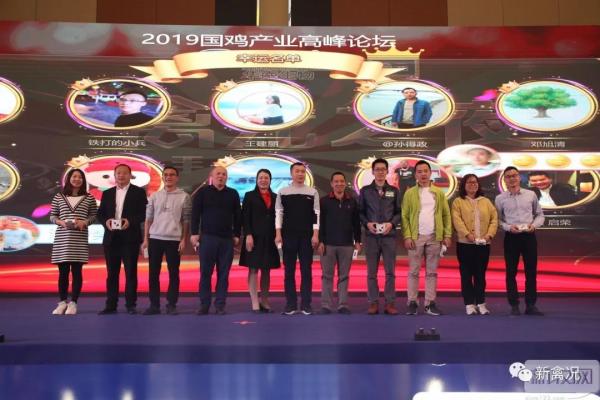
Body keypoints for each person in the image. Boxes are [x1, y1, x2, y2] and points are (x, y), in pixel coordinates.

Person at [402, 160, 452, 316]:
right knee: (413, 272)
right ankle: (412, 302)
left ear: (430, 173)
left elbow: (446, 215)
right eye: (419, 171)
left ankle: (430, 303)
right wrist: (407, 236)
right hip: (415, 237)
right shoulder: (410, 193)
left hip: (434, 237)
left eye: (425, 171)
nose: (423, 174)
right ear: (415, 175)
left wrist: (447, 235)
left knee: (432, 273)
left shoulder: (439, 193)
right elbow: (404, 216)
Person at [97, 164, 148, 315]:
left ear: (130, 175)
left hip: (130, 238)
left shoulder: (138, 192)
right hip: (111, 238)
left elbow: (144, 213)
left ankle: (131, 305)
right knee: (112, 274)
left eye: (125, 173)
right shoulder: (107, 193)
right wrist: (106, 222)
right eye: (118, 173)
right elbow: (100, 214)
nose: (121, 175)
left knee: (130, 273)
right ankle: (111, 305)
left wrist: (130, 221)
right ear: (114, 175)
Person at [191, 166, 241, 315]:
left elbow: (238, 216)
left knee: (223, 274)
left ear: (227, 177)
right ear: (211, 176)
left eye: (224, 174)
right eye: (218, 174)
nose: (221, 176)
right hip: (207, 238)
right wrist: (194, 233)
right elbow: (195, 214)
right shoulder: (203, 192)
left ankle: (220, 305)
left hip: (226, 240)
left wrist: (237, 234)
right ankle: (204, 304)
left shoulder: (233, 193)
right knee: (205, 273)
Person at [495, 166, 545, 316]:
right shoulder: (500, 199)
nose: (512, 178)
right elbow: (498, 220)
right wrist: (508, 227)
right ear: (505, 180)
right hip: (511, 237)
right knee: (511, 272)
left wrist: (533, 226)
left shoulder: (530, 195)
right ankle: (514, 305)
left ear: (519, 177)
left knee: (531, 272)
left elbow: (540, 215)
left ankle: (531, 305)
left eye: (514, 175)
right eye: (508, 176)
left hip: (529, 236)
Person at [142, 166, 191, 316]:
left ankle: (171, 304)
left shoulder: (184, 196)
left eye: (172, 175)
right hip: (155, 238)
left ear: (177, 178)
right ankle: (154, 305)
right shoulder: (154, 196)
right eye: (166, 175)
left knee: (174, 273)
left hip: (174, 240)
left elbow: (186, 220)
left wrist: (183, 239)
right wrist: (146, 239)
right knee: (153, 274)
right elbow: (148, 219)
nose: (169, 177)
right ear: (163, 177)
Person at [49, 168, 97, 315]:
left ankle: (73, 303)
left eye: (80, 177)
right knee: (63, 272)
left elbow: (93, 216)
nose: (77, 179)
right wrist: (61, 222)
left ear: (83, 180)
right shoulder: (59, 196)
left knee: (77, 272)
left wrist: (84, 222)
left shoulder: (89, 198)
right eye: (74, 176)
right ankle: (62, 302)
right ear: (68, 178)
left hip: (79, 239)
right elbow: (52, 216)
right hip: (62, 239)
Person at [275, 162, 320, 315]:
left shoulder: (312, 192)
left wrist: (315, 234)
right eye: (297, 171)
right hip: (288, 236)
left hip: (307, 237)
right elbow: (278, 214)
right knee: (289, 271)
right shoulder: (283, 192)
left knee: (306, 271)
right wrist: (278, 233)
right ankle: (291, 304)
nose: (300, 174)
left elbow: (316, 214)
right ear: (291, 173)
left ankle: (306, 304)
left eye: (302, 171)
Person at [359, 158, 401, 315]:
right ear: (373, 171)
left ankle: (390, 303)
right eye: (377, 169)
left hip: (389, 237)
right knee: (372, 273)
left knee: (390, 272)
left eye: (383, 169)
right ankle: (373, 302)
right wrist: (367, 223)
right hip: (371, 237)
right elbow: (360, 212)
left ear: (387, 171)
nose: (380, 172)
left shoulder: (394, 191)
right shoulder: (365, 191)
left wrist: (392, 224)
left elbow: (399, 212)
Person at [451, 174, 498, 315]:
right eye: (469, 182)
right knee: (466, 275)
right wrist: (467, 235)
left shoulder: (486, 201)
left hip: (483, 244)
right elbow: (457, 221)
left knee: (480, 275)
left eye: (475, 182)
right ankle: (469, 304)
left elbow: (494, 219)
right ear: (464, 185)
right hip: (465, 245)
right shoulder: (458, 202)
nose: (473, 184)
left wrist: (489, 235)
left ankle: (481, 303)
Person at [318, 172, 361, 314]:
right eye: (336, 181)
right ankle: (326, 305)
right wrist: (321, 241)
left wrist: (358, 241)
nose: (339, 184)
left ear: (345, 183)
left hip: (347, 245)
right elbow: (320, 223)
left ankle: (343, 305)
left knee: (344, 276)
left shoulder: (352, 201)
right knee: (327, 276)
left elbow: (356, 223)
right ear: (331, 184)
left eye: (341, 181)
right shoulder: (324, 201)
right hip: (328, 245)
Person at [239, 169, 280, 313]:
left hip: (270, 238)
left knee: (267, 270)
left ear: (270, 180)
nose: (263, 180)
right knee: (253, 268)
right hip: (254, 238)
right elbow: (245, 217)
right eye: (261, 178)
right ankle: (255, 301)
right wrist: (248, 235)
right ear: (257, 180)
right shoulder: (249, 196)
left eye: (266, 178)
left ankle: (264, 300)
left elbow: (278, 218)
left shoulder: (276, 197)